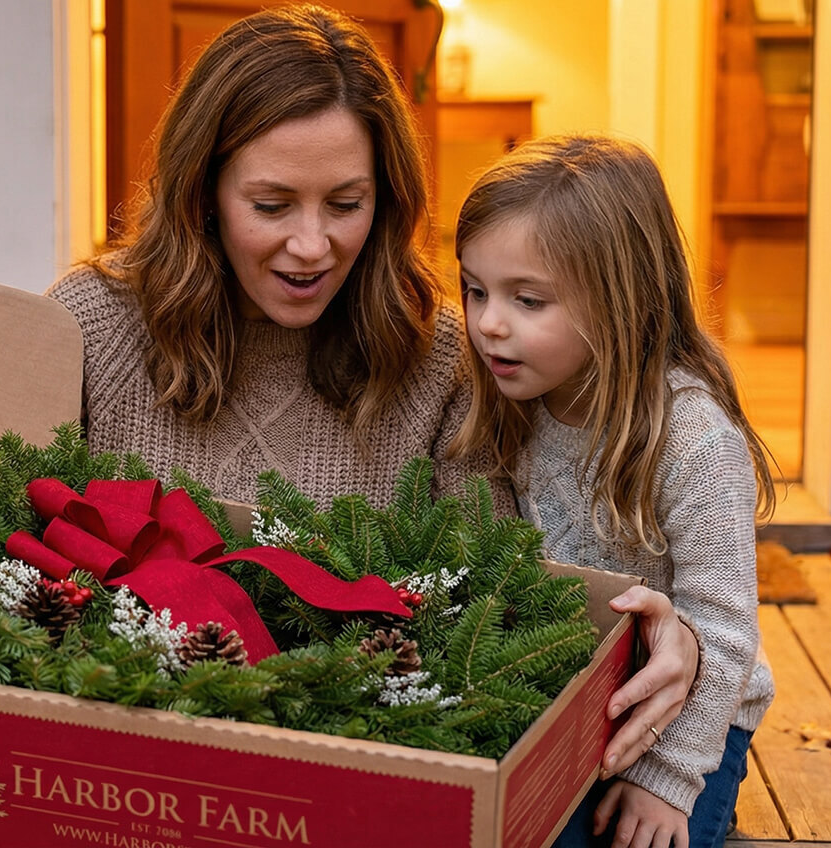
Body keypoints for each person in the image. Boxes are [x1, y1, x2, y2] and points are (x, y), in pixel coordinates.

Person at [48, 5, 695, 773]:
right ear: (203, 192)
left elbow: (499, 601)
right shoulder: (90, 326)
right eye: (271, 205)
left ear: (385, 199)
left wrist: (660, 636)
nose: (312, 245)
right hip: (110, 754)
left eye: (346, 204)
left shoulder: (442, 355)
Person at [448, 133, 778, 848]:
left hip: (692, 712)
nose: (488, 323)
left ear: (619, 301)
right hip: (566, 693)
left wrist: (668, 778)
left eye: (527, 299)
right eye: (475, 290)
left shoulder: (693, 441)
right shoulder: (509, 400)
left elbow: (725, 634)